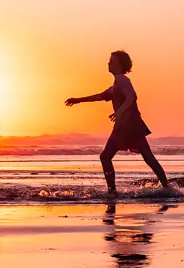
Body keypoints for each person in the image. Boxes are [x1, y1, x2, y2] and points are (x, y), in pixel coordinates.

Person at [66, 50, 172, 195]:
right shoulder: (116, 85)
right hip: (125, 126)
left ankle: (113, 191)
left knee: (108, 157)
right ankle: (167, 187)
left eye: (112, 61)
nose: (108, 63)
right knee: (145, 157)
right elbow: (99, 96)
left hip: (130, 125)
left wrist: (119, 111)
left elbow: (132, 97)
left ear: (120, 64)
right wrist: (78, 100)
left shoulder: (123, 79)